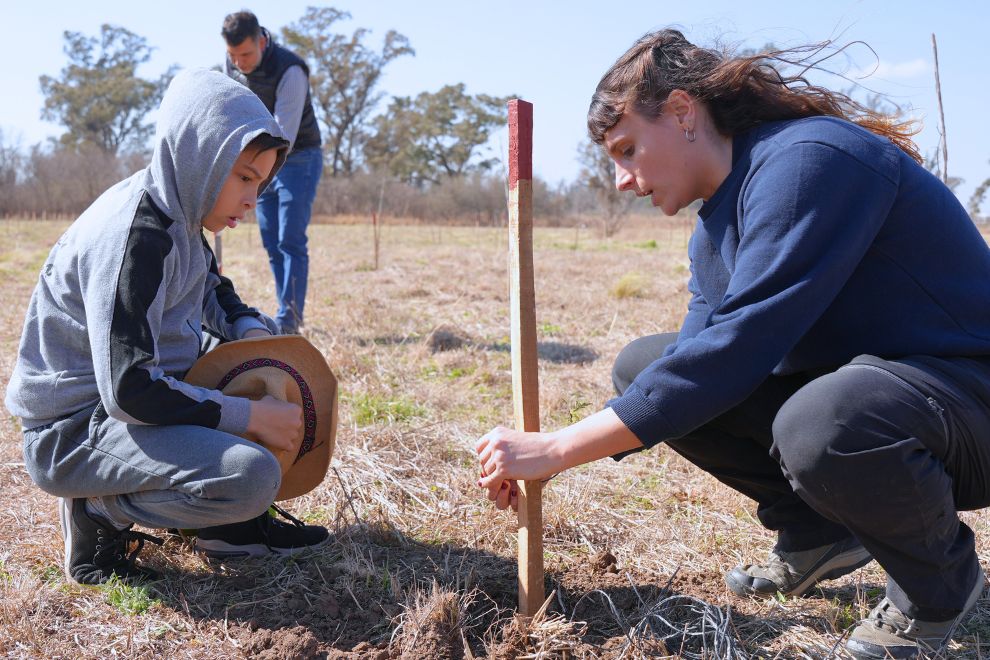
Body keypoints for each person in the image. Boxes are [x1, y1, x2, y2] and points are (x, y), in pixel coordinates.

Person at [474, 29, 990, 659]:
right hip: (879, 398)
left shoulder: (812, 162)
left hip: (967, 401)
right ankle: (817, 531)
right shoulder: (714, 224)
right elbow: (695, 371)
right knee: (647, 369)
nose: (621, 180)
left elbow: (738, 349)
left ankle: (938, 587)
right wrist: (543, 454)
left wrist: (555, 448)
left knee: (822, 420)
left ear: (684, 113)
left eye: (627, 149)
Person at [3, 69, 330, 586]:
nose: (253, 198)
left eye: (261, 183)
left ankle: (228, 529)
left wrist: (249, 333)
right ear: (201, 154)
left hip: (129, 408)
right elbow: (128, 390)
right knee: (251, 473)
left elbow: (209, 289)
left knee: (258, 370)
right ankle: (97, 514)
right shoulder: (138, 236)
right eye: (244, 177)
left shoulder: (178, 211)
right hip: (73, 431)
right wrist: (247, 416)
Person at [222, 10, 324, 335]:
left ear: (262, 42)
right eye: (233, 55)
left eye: (246, 54)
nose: (240, 63)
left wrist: (251, 170)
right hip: (257, 159)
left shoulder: (291, 70)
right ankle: (286, 311)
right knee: (270, 240)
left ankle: (289, 320)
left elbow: (284, 136)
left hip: (297, 157)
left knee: (289, 239)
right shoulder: (231, 65)